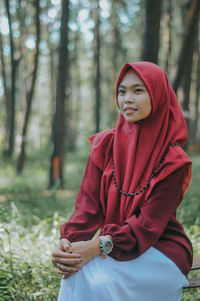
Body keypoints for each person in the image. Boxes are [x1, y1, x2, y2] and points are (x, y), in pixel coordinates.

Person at [52, 61, 193, 301]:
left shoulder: (173, 160)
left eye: (138, 90)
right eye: (122, 91)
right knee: (76, 273)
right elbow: (87, 207)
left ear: (157, 95)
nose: (127, 98)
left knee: (101, 282)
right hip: (113, 247)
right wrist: (68, 243)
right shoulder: (105, 146)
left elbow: (148, 225)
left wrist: (98, 246)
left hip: (161, 250)